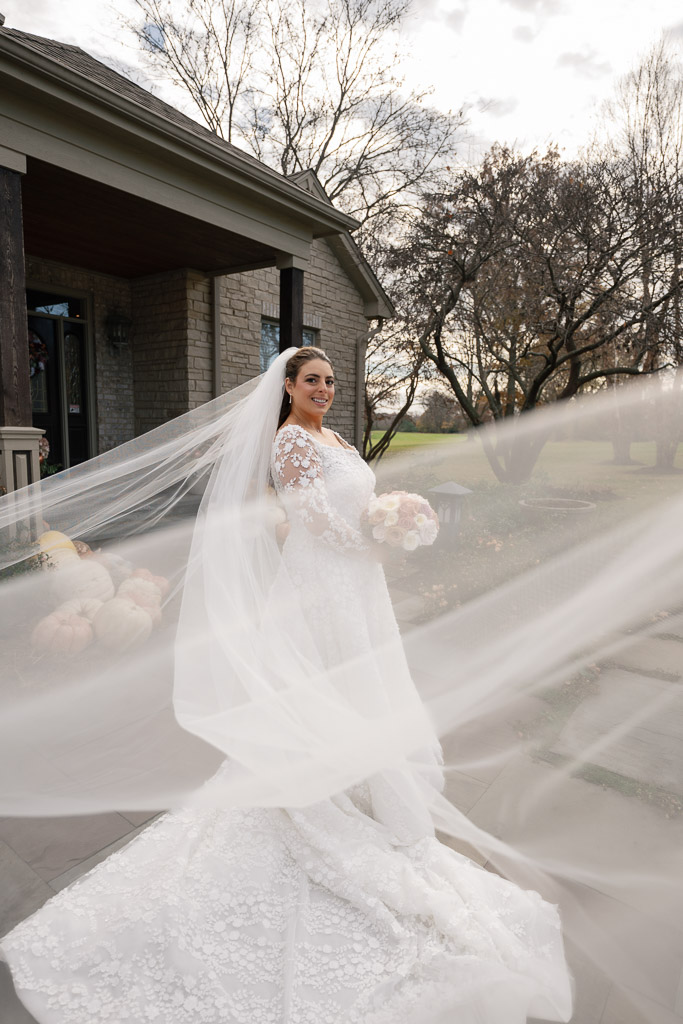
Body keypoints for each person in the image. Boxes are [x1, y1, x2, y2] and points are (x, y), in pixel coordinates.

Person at [0, 346, 573, 1024]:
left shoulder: (334, 438)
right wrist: (379, 535)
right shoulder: (290, 444)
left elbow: (353, 505)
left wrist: (390, 518)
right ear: (290, 389)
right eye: (312, 381)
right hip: (320, 585)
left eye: (330, 381)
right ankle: (329, 796)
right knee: (328, 689)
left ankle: (363, 791)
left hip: (356, 584)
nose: (324, 390)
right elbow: (311, 520)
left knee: (362, 689)